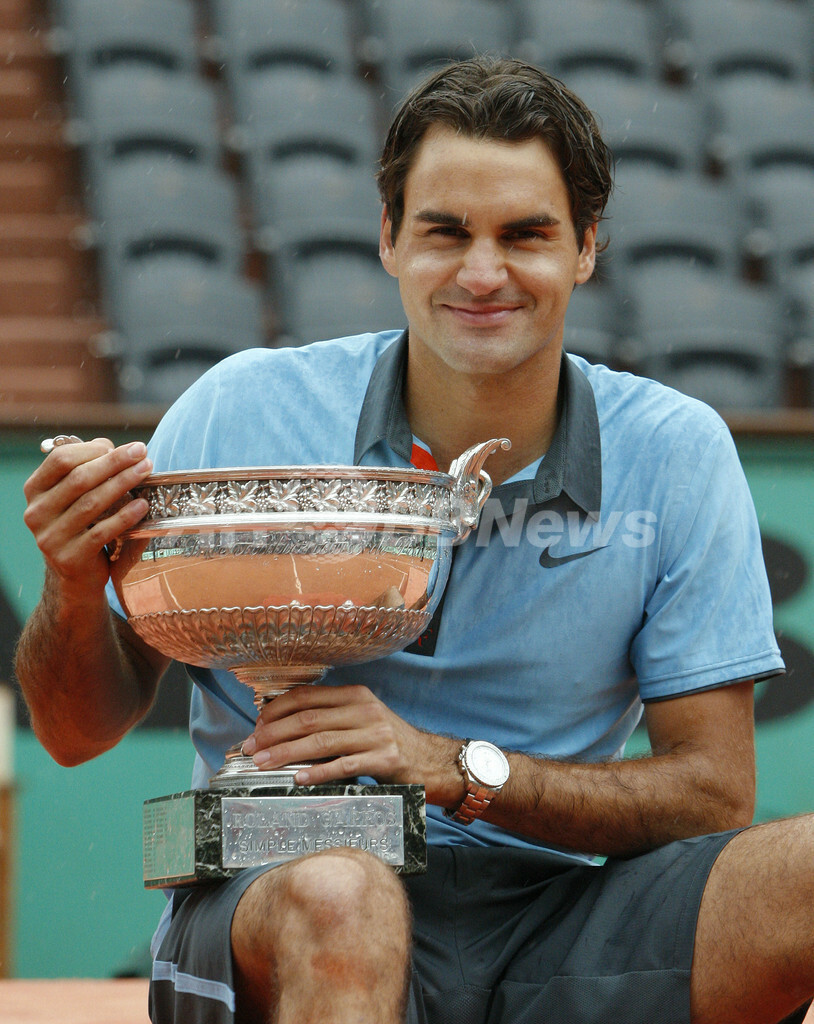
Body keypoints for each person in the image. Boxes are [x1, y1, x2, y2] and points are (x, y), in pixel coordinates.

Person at [14, 55, 811, 1024]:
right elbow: (71, 731)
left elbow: (713, 796)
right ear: (388, 238)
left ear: (587, 246)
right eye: (444, 232)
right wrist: (66, 578)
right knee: (344, 896)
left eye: (525, 234)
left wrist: (457, 768)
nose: (483, 273)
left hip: (556, 913)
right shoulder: (241, 406)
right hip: (291, 894)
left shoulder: (673, 447)